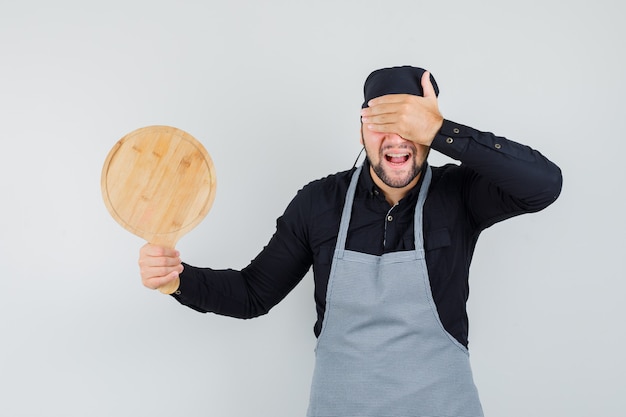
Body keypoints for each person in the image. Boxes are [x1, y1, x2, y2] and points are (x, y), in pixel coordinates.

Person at [138, 65, 562, 416]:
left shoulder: (461, 195)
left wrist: (443, 129)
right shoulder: (319, 202)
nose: (396, 139)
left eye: (409, 124)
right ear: (361, 129)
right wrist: (177, 279)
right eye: (381, 123)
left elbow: (544, 184)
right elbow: (253, 294)